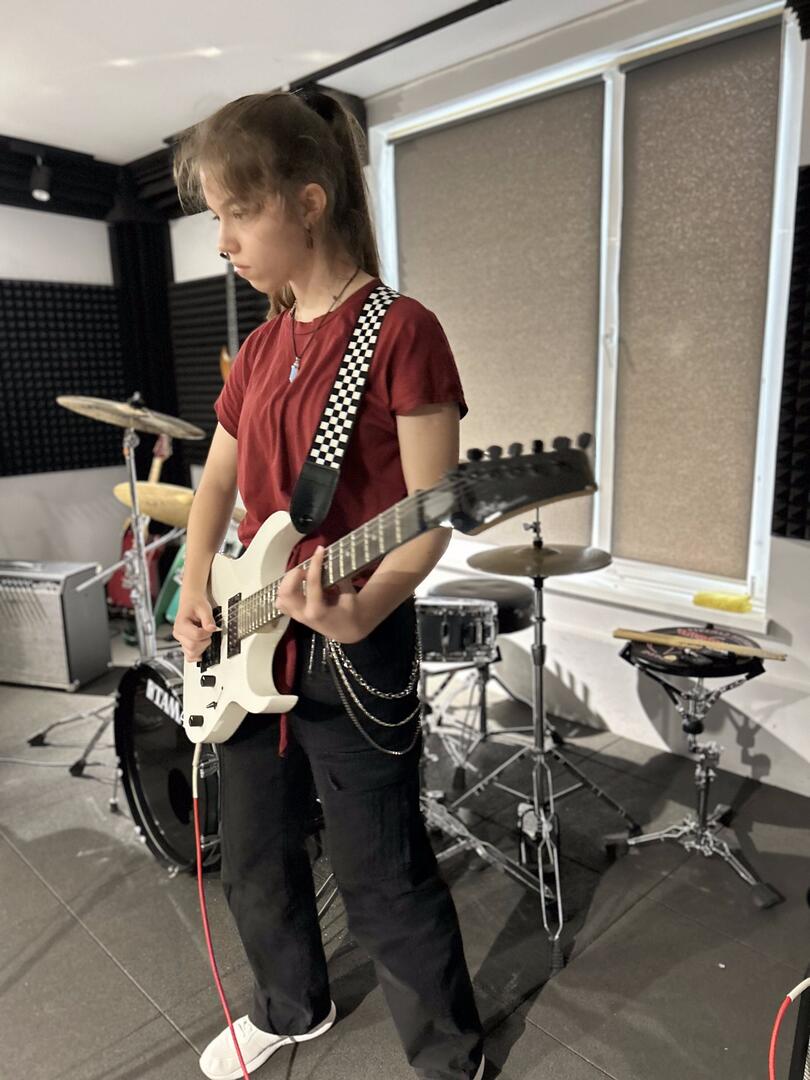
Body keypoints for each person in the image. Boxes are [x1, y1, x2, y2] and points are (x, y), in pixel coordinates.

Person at [172, 88, 485, 1080]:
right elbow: (216, 482)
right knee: (254, 858)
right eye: (215, 217)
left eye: (237, 212)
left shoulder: (401, 332)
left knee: (382, 874)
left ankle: (450, 1058)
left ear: (308, 201)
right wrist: (192, 584)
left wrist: (369, 605)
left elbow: (431, 513)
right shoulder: (261, 348)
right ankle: (291, 1005)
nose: (223, 241)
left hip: (353, 648)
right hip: (246, 641)